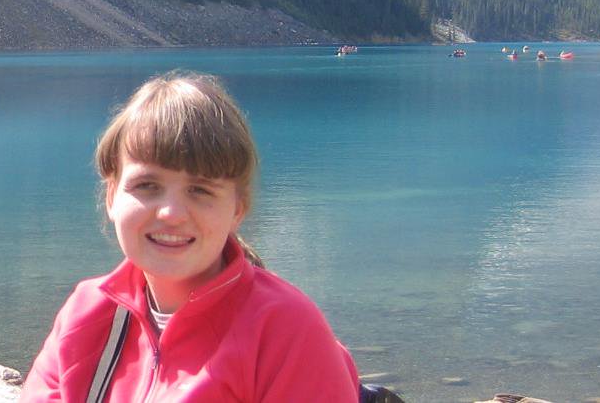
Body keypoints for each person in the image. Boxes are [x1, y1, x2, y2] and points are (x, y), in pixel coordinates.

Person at [20, 71, 362, 402]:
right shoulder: (86, 313)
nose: (171, 213)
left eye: (200, 190)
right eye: (147, 185)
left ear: (237, 210)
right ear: (111, 196)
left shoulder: (285, 331)